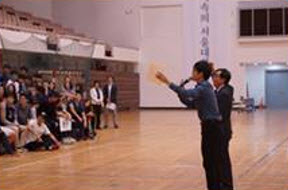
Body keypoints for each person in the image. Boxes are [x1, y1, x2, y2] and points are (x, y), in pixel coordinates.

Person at [156, 60, 224, 190]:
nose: (192, 74)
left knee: (211, 162)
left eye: (194, 71)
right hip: (210, 127)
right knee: (209, 162)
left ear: (200, 74)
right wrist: (181, 91)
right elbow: (190, 103)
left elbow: (187, 94)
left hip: (212, 127)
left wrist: (167, 82)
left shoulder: (203, 87)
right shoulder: (203, 88)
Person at [212, 68, 234, 190]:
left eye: (216, 76)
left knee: (222, 159)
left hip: (221, 132)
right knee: (221, 159)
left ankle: (226, 185)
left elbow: (220, 115)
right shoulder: (226, 89)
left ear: (223, 79)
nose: (213, 78)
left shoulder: (224, 93)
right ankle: (223, 183)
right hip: (222, 131)